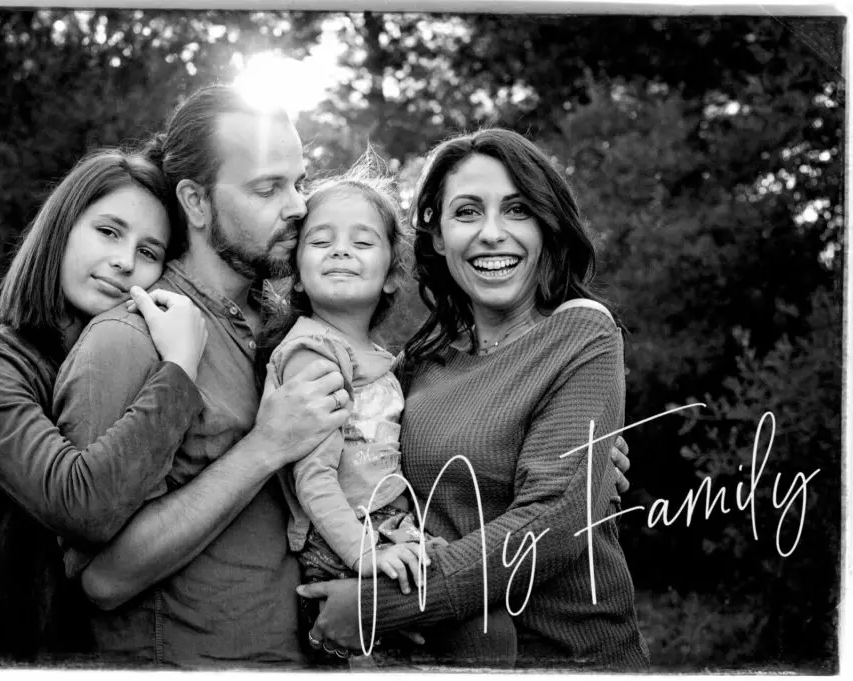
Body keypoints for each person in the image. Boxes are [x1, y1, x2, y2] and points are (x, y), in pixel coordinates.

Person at [52, 86, 632, 668]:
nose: (300, 207)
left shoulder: (293, 338)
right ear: (196, 203)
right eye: (268, 188)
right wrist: (268, 447)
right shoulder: (138, 338)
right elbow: (102, 577)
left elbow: (520, 503)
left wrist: (579, 458)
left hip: (545, 656)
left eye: (299, 182)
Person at [299, 128, 651, 671]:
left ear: (546, 226)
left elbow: (552, 523)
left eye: (517, 210)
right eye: (467, 212)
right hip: (446, 658)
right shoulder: (419, 364)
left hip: (567, 658)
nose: (492, 233)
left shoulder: (582, 334)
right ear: (438, 235)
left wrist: (379, 607)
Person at [0, 148, 209, 662]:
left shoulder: (124, 361)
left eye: (149, 252)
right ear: (61, 230)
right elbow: (81, 506)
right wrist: (181, 368)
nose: (124, 261)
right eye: (109, 231)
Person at [255, 162, 451, 666]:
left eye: (362, 243)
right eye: (321, 241)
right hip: (340, 550)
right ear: (296, 270)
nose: (341, 250)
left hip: (386, 529)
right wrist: (365, 555)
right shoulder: (313, 353)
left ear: (391, 275)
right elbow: (313, 479)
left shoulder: (381, 359)